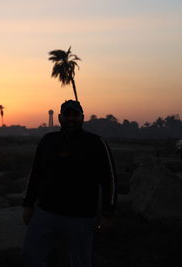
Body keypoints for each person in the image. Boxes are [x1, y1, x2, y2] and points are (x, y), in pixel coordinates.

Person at [21, 100, 117, 267]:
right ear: (59, 117)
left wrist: (107, 213)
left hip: (81, 217)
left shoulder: (95, 143)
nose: (71, 119)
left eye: (75, 115)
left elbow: (110, 180)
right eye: (67, 115)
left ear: (82, 118)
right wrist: (28, 204)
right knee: (31, 256)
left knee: (80, 261)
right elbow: (35, 174)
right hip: (46, 213)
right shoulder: (48, 141)